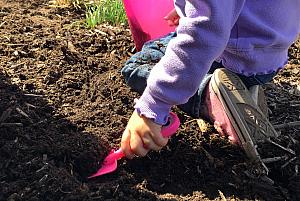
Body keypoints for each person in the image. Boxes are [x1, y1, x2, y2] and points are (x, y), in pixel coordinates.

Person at [120, 0, 300, 160]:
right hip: (267, 57)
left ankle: (209, 95)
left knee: (137, 65)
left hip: (230, 54)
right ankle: (244, 89)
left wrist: (154, 105)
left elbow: (200, 38)